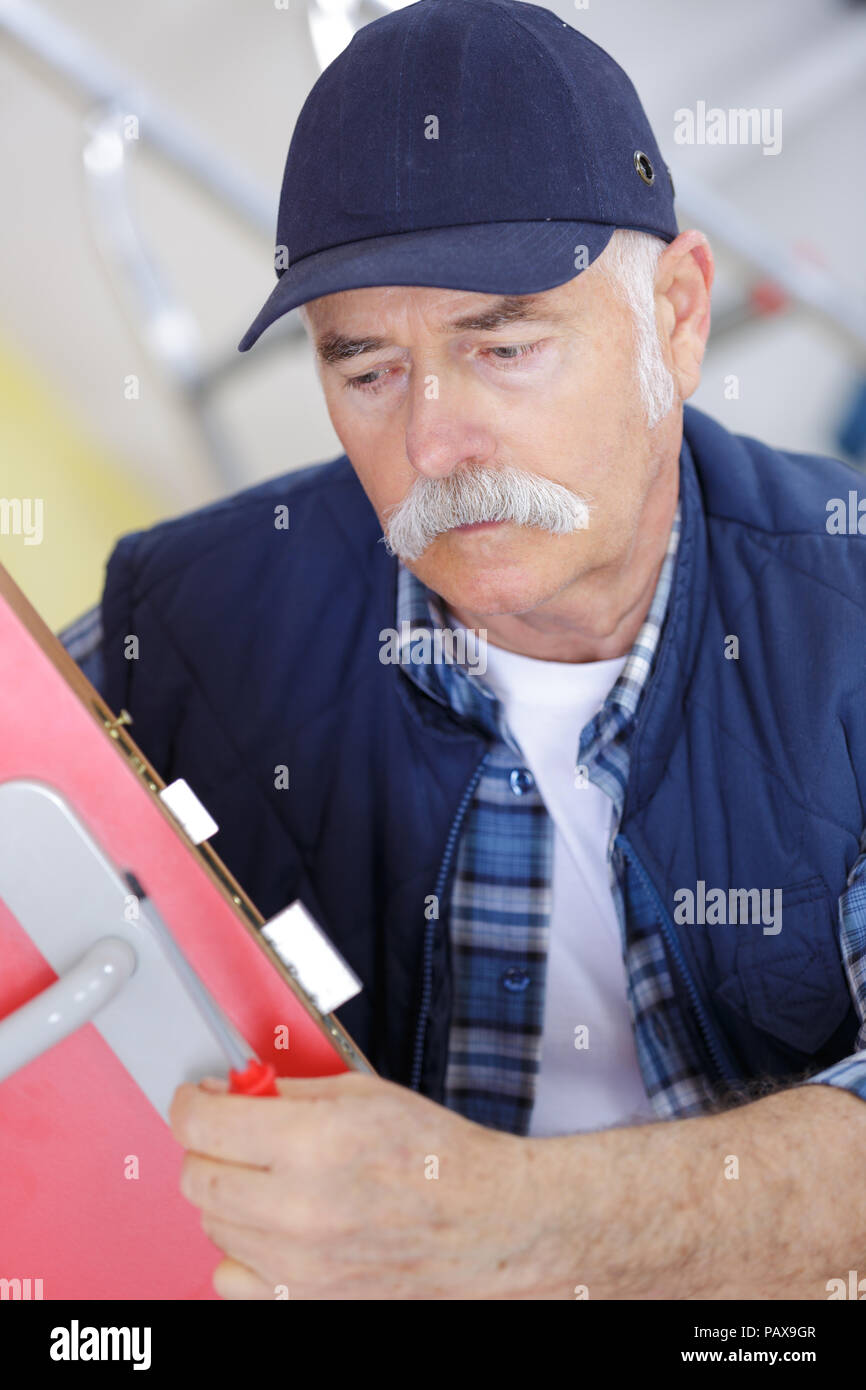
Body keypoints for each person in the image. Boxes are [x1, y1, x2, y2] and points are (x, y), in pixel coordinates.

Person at [61, 0, 866, 1299]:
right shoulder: (189, 616)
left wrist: (505, 1225)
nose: (436, 439)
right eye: (367, 369)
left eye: (503, 344)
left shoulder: (844, 600)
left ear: (676, 313)